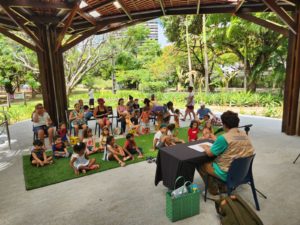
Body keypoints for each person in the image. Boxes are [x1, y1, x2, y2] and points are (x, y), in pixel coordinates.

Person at [198, 111, 254, 197]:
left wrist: (205, 147)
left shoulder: (223, 138)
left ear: (224, 124)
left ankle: (214, 189)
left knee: (201, 163)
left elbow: (209, 153)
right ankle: (223, 185)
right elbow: (234, 144)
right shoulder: (244, 134)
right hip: (242, 172)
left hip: (227, 172)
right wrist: (216, 140)